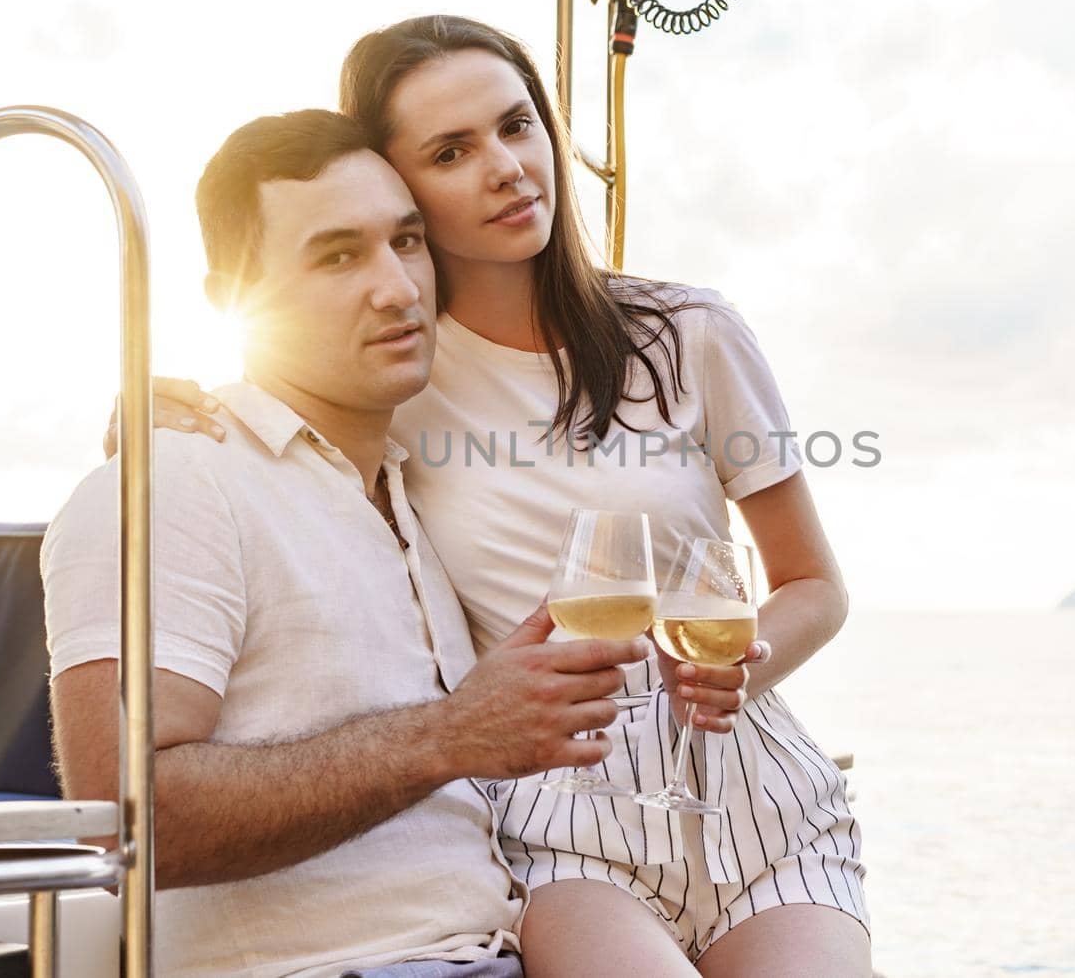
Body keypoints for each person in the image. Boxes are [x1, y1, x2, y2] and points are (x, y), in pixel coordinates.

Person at [147, 15, 869, 977]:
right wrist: (148, 396)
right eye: (452, 151)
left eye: (517, 124)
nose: (506, 166)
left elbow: (813, 582)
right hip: (558, 825)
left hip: (755, 795)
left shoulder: (689, 332)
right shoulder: (392, 376)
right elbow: (267, 411)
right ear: (402, 185)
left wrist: (747, 661)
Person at [44, 109, 660, 978]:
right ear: (231, 298)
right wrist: (450, 733)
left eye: (407, 242)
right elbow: (129, 816)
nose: (399, 288)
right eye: (338, 255)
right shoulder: (176, 482)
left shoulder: (417, 492)